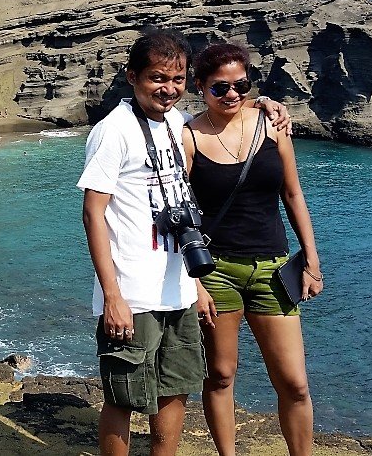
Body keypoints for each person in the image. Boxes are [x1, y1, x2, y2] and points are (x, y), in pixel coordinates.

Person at [78, 29, 290, 456]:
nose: (168, 89)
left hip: (175, 286)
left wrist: (266, 104)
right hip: (133, 293)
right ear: (132, 76)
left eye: (176, 79)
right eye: (158, 78)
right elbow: (92, 213)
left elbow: (225, 104)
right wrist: (113, 296)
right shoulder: (113, 131)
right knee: (123, 395)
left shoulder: (175, 123)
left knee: (175, 389)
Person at [181, 42, 323, 456]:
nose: (231, 95)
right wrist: (194, 283)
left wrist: (310, 260)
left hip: (274, 269)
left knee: (294, 382)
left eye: (240, 85)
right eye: (219, 87)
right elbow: (179, 215)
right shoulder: (188, 138)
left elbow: (293, 195)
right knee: (221, 375)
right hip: (216, 271)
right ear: (200, 87)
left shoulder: (271, 123)